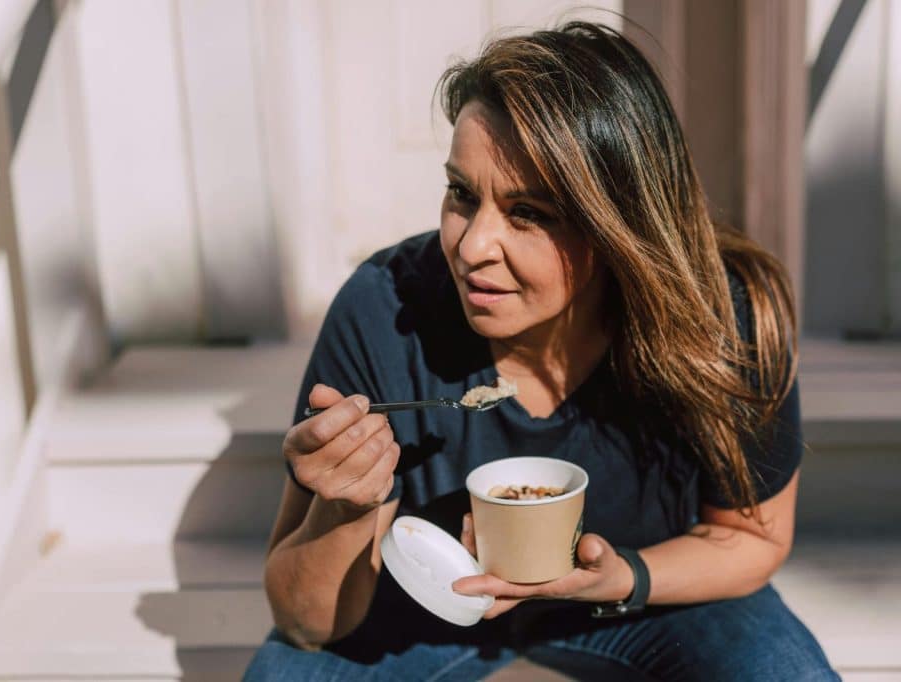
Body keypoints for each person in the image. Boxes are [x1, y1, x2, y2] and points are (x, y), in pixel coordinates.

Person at [245, 21, 838, 681]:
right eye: (462, 196)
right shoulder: (386, 309)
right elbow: (304, 622)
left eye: (529, 212)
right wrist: (345, 508)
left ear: (622, 224)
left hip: (649, 600)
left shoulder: (724, 316)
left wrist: (623, 577)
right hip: (423, 604)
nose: (472, 248)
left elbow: (752, 537)